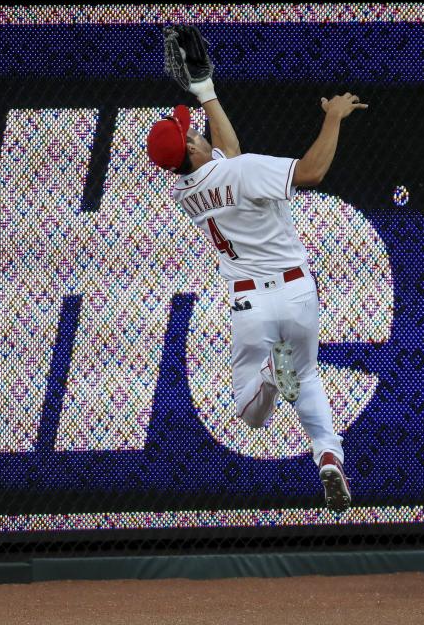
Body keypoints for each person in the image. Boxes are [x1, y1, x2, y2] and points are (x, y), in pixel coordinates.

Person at [145, 62, 367, 512]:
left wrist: (207, 90)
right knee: (305, 376)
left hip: (249, 303)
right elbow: (310, 173)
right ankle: (326, 454)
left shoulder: (188, 190)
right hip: (297, 292)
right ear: (191, 144)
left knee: (252, 414)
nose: (199, 130)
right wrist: (333, 117)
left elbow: (227, 151)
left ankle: (272, 380)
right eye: (191, 130)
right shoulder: (242, 171)